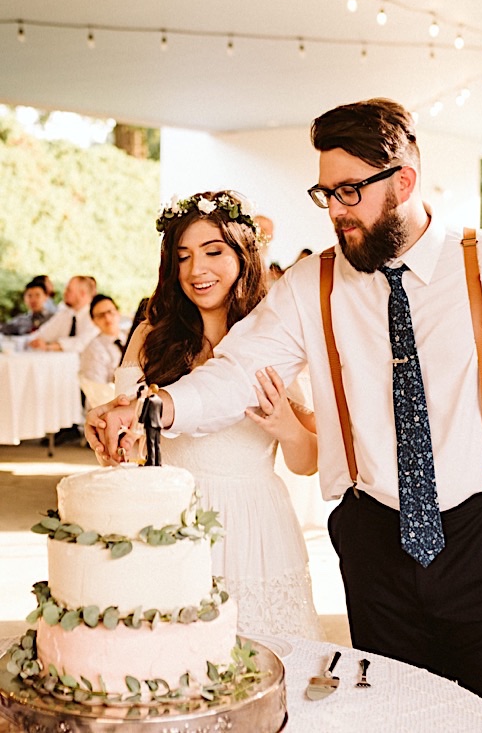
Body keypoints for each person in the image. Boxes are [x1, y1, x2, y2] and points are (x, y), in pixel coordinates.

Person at [88, 99, 482, 733]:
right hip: (373, 543)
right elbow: (238, 370)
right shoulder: (309, 284)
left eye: (351, 191)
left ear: (403, 180)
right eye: (327, 194)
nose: (337, 212)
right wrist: (157, 404)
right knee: (389, 718)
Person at [100, 190, 322, 640]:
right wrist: (119, 443)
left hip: (254, 525)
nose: (196, 270)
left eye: (213, 252)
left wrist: (285, 426)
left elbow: (306, 461)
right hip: (168, 515)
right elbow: (122, 435)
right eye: (182, 257)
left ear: (244, 254)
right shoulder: (150, 337)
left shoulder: (273, 342)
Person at [28, 275, 99, 352]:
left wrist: (50, 346)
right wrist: (35, 341)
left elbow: (82, 343)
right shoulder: (65, 313)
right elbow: (44, 333)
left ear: (82, 294)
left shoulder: (96, 316)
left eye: (69, 290)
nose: (65, 293)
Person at [78, 294, 127, 385]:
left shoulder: (130, 337)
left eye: (110, 312)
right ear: (93, 321)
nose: (107, 318)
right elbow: (98, 388)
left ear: (118, 312)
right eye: (101, 315)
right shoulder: (93, 349)